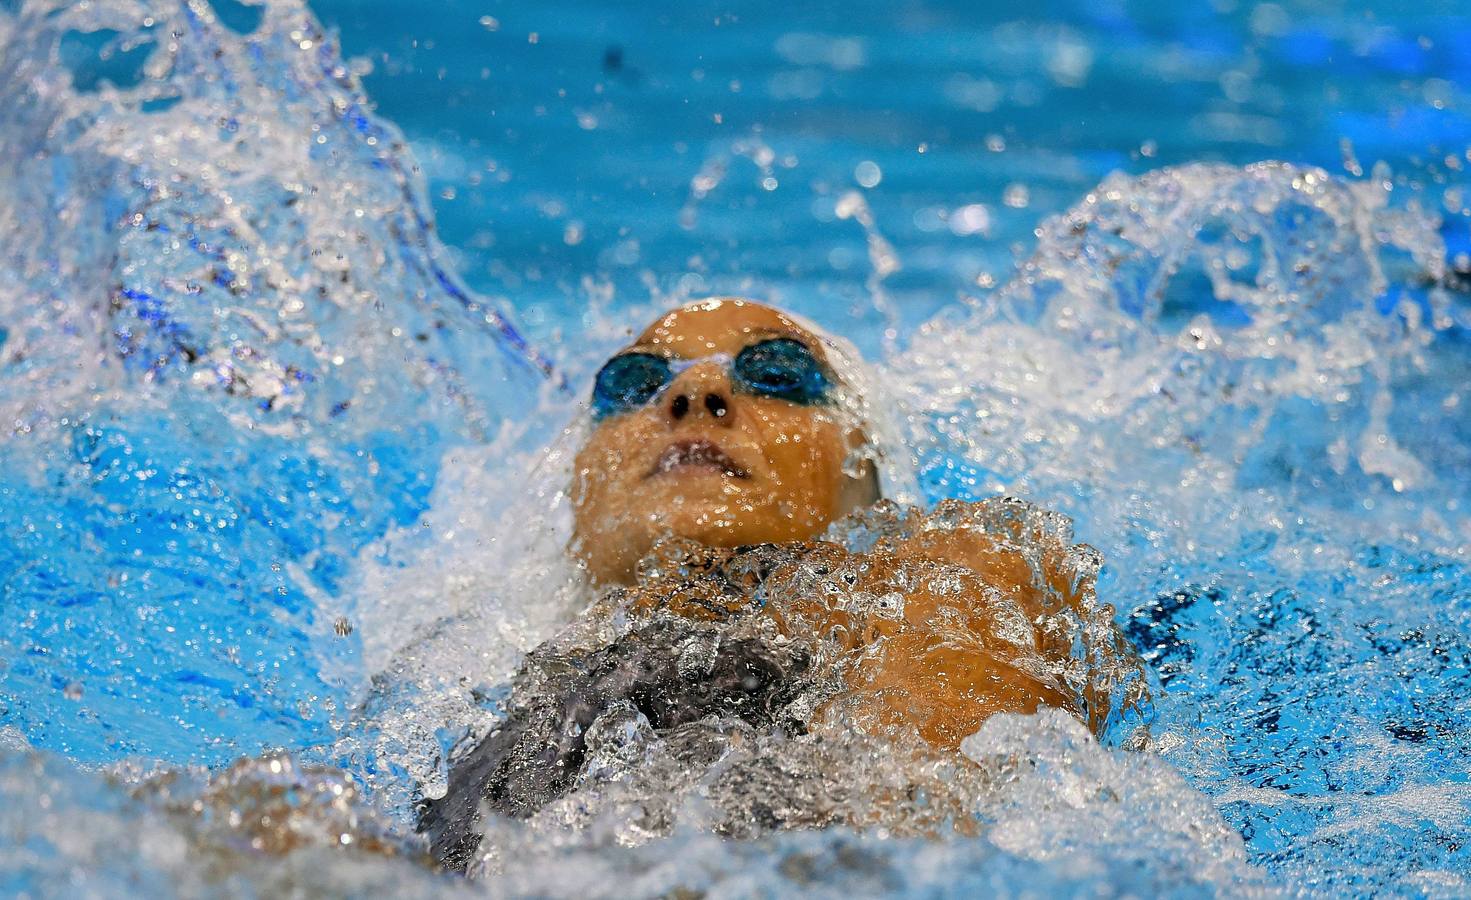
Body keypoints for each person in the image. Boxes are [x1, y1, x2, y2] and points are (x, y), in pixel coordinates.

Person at [418, 298, 1144, 870]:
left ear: (867, 473)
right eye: (633, 383)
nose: (694, 390)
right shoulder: (465, 675)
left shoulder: (954, 572)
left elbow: (923, 842)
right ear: (577, 493)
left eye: (775, 373)